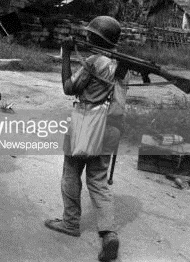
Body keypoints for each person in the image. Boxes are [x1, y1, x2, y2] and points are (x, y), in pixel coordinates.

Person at [44, 16, 126, 262]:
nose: (87, 37)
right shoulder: (122, 64)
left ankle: (70, 222)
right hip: (110, 125)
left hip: (86, 121)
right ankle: (108, 233)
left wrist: (67, 54)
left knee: (71, 171)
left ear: (95, 38)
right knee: (99, 181)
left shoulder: (93, 61)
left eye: (90, 35)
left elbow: (69, 87)